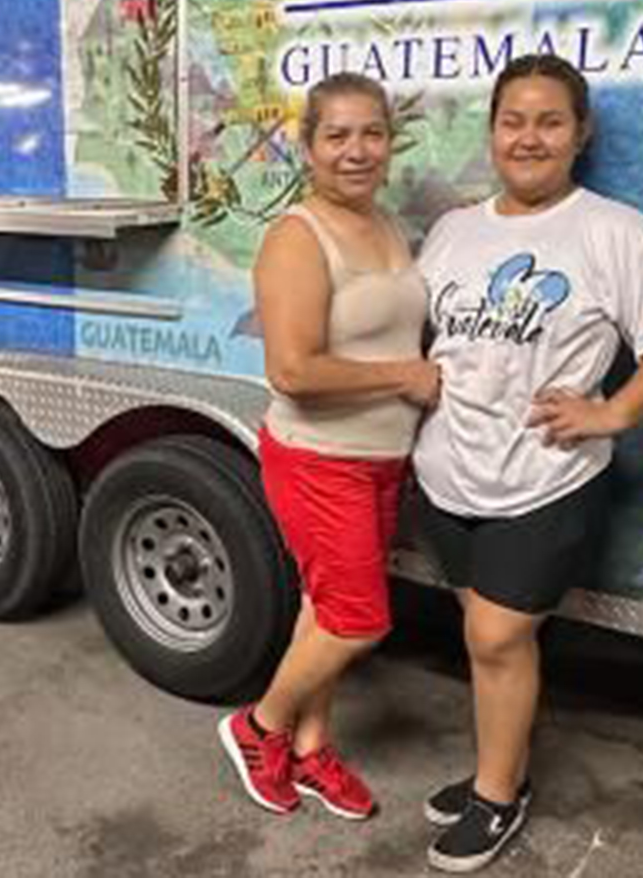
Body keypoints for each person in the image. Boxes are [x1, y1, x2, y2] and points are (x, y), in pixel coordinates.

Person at [413, 54, 643, 873]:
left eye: (549, 120)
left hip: (543, 477)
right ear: (493, 131)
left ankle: (499, 797)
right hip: (447, 473)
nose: (529, 136)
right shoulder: (454, 231)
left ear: (581, 133)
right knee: (490, 643)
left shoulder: (611, 229)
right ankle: (493, 767)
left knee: (497, 633)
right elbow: (426, 336)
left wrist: (611, 411)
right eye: (513, 120)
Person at [220, 73, 440, 821]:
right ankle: (259, 726)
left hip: (382, 461)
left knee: (324, 605)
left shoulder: (385, 225)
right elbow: (292, 370)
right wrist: (402, 376)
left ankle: (312, 747)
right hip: (319, 459)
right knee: (358, 618)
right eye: (337, 135)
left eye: (371, 133)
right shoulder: (296, 236)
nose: (357, 150)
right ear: (307, 146)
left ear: (390, 140)